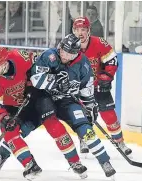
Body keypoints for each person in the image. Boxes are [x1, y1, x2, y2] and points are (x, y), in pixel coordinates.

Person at [0, 45, 87, 179]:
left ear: (5, 62)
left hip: (36, 97)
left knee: (52, 124)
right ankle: (30, 165)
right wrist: (4, 118)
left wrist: (32, 85)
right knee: (10, 131)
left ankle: (75, 162)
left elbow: (40, 68)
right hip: (12, 106)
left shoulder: (21, 57)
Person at [30, 34, 116, 178]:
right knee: (23, 126)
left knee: (85, 128)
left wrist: (90, 106)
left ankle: (105, 162)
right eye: (64, 50)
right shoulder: (49, 56)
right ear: (60, 46)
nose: (65, 55)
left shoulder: (84, 64)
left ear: (77, 53)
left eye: (70, 53)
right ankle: (3, 156)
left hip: (67, 101)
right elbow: (35, 79)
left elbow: (86, 90)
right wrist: (56, 81)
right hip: (45, 99)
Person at [72, 17, 132, 155]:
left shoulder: (99, 43)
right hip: (79, 89)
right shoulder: (68, 45)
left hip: (98, 86)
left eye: (83, 30)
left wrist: (106, 77)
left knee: (109, 114)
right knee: (83, 117)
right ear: (73, 31)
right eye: (77, 30)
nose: (80, 33)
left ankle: (120, 141)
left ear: (89, 30)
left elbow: (112, 60)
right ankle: (83, 140)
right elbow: (61, 66)